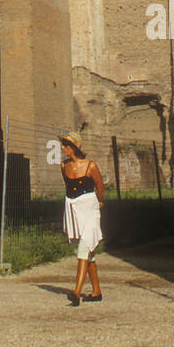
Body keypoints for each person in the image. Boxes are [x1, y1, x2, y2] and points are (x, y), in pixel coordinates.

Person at [60, 130, 104, 306]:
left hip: (90, 208)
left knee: (83, 249)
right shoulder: (64, 166)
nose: (63, 148)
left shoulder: (90, 166)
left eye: (66, 145)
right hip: (75, 208)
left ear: (74, 147)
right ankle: (97, 291)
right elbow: (68, 185)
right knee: (89, 253)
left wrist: (100, 203)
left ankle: (76, 292)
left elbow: (100, 187)